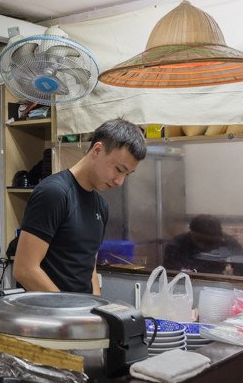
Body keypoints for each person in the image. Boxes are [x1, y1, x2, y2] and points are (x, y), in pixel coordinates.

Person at [12, 118, 147, 295]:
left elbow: (89, 266)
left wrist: (98, 309)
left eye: (127, 174)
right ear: (97, 150)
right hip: (47, 317)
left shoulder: (101, 206)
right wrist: (70, 312)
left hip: (79, 315)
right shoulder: (54, 193)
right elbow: (25, 270)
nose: (120, 181)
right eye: (119, 169)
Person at [163, 214, 243, 277]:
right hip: (187, 284)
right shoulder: (178, 244)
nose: (207, 246)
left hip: (217, 283)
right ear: (192, 234)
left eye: (212, 242)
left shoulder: (227, 241)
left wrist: (232, 284)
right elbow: (170, 274)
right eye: (203, 241)